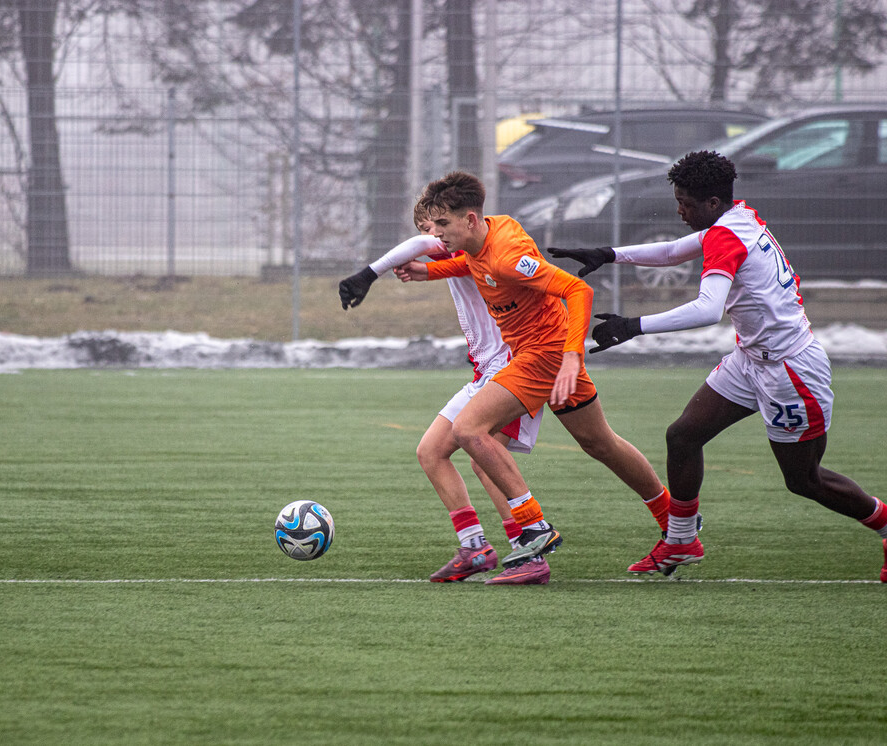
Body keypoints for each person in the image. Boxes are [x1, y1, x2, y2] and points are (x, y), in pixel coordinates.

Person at [548, 150, 887, 581]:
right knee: (684, 436)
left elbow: (709, 310)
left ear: (711, 203)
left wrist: (634, 325)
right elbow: (673, 250)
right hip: (751, 360)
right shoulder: (736, 218)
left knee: (805, 480)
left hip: (791, 372)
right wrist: (607, 253)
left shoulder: (727, 235)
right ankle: (681, 538)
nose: (678, 209)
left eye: (685, 202)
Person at [382, 171, 673, 576]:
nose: (437, 236)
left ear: (469, 219)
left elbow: (578, 291)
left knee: (470, 432)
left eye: (443, 225)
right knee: (600, 443)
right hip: (538, 356)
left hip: (545, 357)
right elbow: (474, 266)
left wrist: (573, 355)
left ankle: (533, 529)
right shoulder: (486, 237)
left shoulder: (504, 253)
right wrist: (428, 272)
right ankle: (676, 528)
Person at [340, 205, 552, 585]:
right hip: (486, 371)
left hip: (514, 368)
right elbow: (427, 251)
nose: (434, 235)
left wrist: (369, 273)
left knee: (484, 460)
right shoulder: (458, 254)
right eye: (428, 226)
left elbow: (423, 244)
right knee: (430, 452)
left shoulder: (471, 247)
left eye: (440, 225)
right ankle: (475, 548)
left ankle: (529, 551)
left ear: (460, 223)